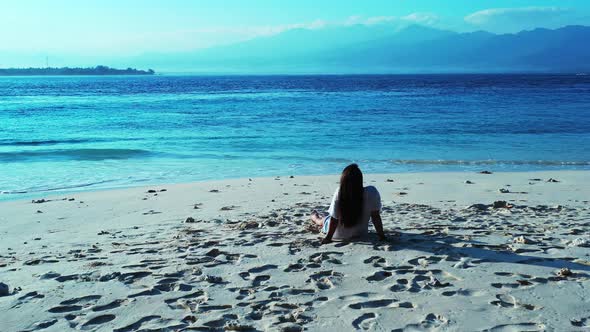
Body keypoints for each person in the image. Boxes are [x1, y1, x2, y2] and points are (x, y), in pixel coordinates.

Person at [310, 163, 385, 244]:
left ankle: (314, 216)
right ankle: (315, 216)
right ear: (360, 179)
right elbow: (375, 217)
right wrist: (382, 236)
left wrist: (328, 238)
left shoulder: (340, 192)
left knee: (321, 221)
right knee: (325, 218)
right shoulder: (372, 192)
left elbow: (334, 219)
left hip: (338, 234)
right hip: (360, 233)